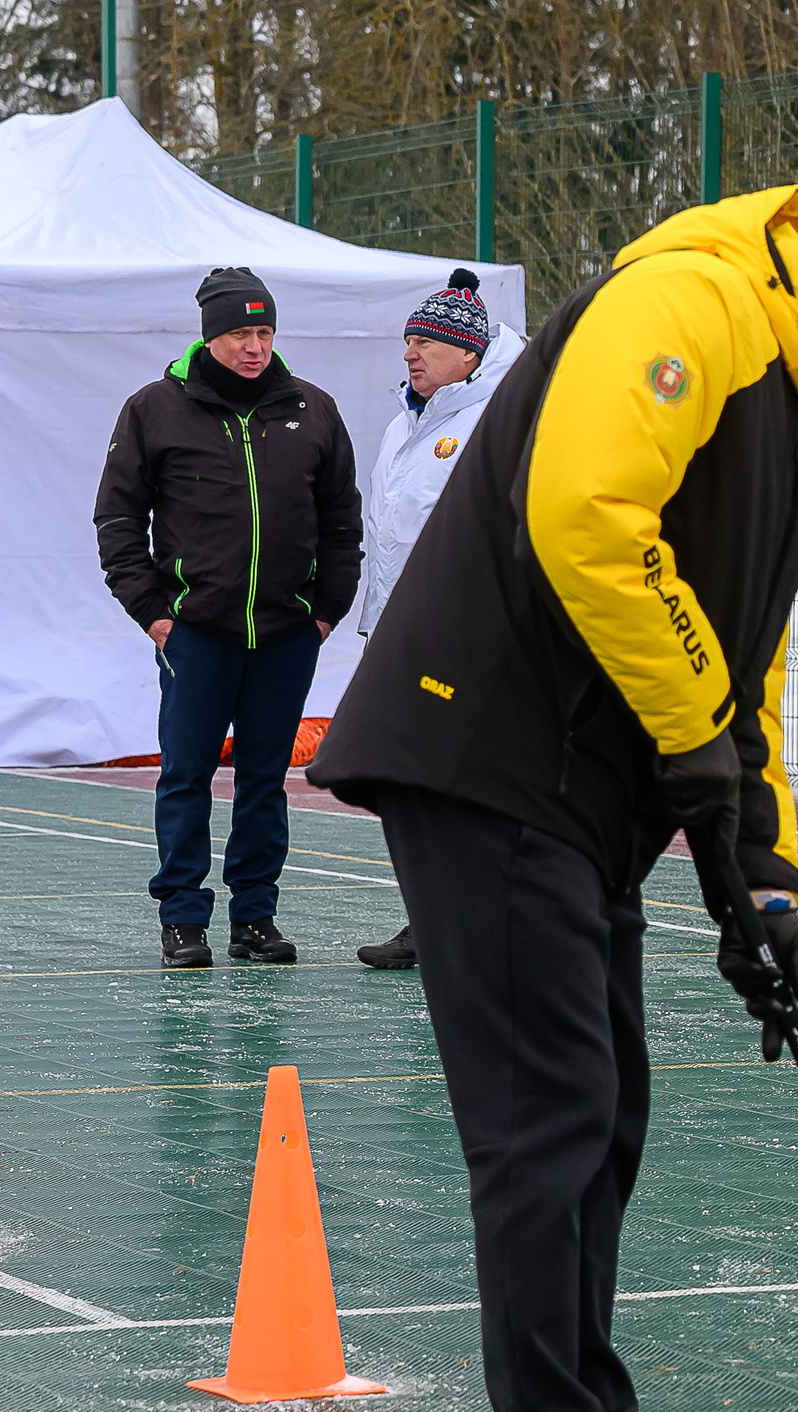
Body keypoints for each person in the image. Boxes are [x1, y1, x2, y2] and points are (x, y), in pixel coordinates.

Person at [307, 190, 798, 1412]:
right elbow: (585, 515)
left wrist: (762, 874)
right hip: (488, 751)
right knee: (548, 1116)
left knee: (604, 1103)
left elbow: (742, 672)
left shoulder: (786, 428)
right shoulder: (695, 306)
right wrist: (691, 750)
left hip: (571, 794)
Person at [98, 268, 363, 970]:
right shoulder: (155, 409)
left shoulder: (313, 410)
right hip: (196, 634)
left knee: (264, 777)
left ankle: (256, 916)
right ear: (210, 335)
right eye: (240, 333)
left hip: (287, 634)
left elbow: (342, 520)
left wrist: (326, 609)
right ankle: (183, 919)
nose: (254, 346)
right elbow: (118, 520)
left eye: (265, 331)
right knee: (184, 775)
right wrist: (156, 616)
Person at [351, 269, 526, 971]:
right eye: (407, 340)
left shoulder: (498, 422)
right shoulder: (405, 424)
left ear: (468, 353)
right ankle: (435, 920)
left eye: (424, 341)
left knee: (470, 788)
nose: (410, 353)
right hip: (405, 640)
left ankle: (498, 921)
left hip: (472, 645)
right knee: (416, 790)